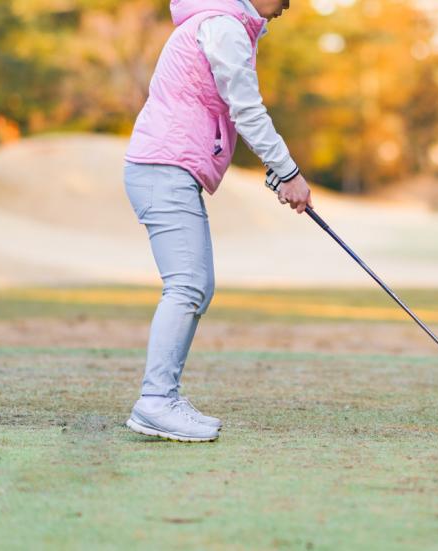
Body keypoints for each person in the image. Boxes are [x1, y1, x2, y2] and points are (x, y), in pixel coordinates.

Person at [123, 0, 312, 442]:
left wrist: (277, 169)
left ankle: (163, 397)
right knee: (188, 285)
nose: (287, 6)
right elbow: (246, 109)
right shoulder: (223, 27)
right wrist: (288, 172)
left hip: (167, 169)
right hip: (163, 169)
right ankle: (156, 402)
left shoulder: (221, 25)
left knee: (197, 285)